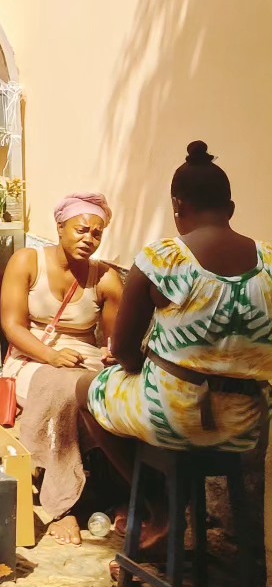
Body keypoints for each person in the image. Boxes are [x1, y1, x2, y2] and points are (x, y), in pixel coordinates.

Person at [87, 142, 272, 458]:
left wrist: (143, 369)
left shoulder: (162, 258)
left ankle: (142, 488)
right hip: (246, 426)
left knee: (86, 389)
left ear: (177, 205)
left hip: (170, 417)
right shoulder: (268, 260)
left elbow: (122, 350)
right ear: (230, 209)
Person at [0, 193, 124, 544]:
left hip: (83, 361)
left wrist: (112, 357)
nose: (88, 239)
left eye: (96, 234)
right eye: (81, 230)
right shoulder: (27, 261)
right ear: (60, 227)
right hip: (30, 358)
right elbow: (13, 326)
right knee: (62, 390)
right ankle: (64, 505)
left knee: (112, 390)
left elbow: (113, 343)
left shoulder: (106, 279)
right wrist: (51, 356)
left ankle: (123, 495)